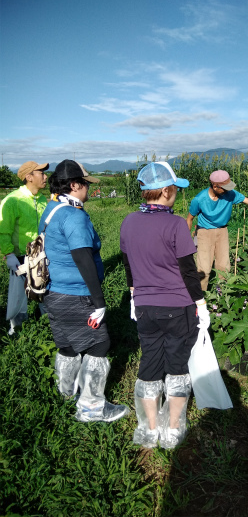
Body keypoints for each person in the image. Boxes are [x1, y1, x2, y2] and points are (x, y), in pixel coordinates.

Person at [120, 161, 210, 449]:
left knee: (149, 361)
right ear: (167, 190)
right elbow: (187, 270)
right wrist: (201, 303)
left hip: (145, 306)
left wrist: (135, 295)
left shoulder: (129, 221)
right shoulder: (175, 225)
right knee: (177, 365)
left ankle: (148, 429)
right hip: (177, 306)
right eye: (175, 190)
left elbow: (128, 264)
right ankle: (173, 428)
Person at [40, 159, 129, 423]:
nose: (88, 189)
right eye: (86, 184)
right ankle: (91, 408)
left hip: (53, 292)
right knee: (99, 344)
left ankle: (66, 390)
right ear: (75, 184)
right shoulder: (74, 216)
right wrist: (99, 302)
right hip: (76, 293)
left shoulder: (52, 208)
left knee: (67, 344)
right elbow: (82, 258)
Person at [186, 169, 248, 291]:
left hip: (222, 231)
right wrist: (186, 239)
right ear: (215, 186)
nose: (228, 189)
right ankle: (200, 298)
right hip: (204, 233)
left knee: (224, 267)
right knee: (204, 269)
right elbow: (190, 218)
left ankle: (222, 296)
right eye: (225, 187)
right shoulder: (199, 199)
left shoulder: (231, 194)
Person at [0, 160, 49, 333]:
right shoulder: (12, 201)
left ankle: (47, 326)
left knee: (43, 290)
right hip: (19, 257)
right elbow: (3, 231)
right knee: (18, 296)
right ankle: (17, 330)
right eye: (41, 173)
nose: (45, 176)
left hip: (40, 256)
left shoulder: (43, 199)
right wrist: (9, 253)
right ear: (29, 177)